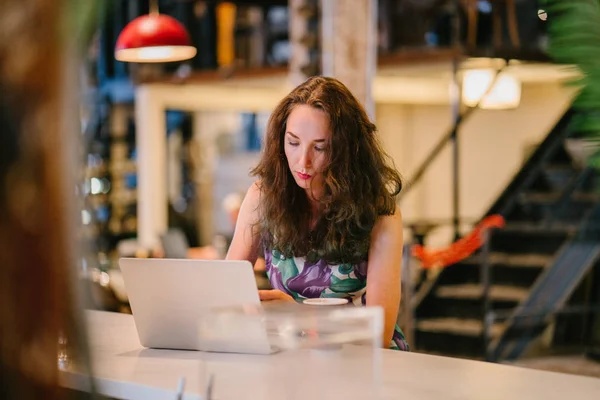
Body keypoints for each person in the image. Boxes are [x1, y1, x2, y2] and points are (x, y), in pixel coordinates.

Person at [226, 76, 409, 351]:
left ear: (346, 150)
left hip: (361, 362)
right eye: (293, 142)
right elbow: (226, 288)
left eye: (320, 147)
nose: (303, 161)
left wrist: (299, 318)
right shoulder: (263, 197)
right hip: (291, 354)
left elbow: (379, 335)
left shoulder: (381, 214)